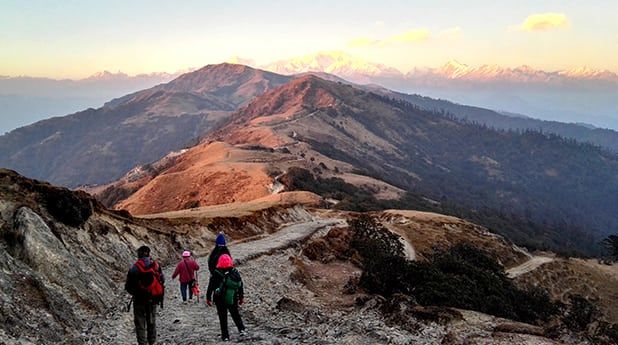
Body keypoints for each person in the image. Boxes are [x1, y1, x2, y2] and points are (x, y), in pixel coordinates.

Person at [125, 245, 165, 345]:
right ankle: (152, 341)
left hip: (139, 299)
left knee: (140, 323)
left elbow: (128, 286)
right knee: (151, 321)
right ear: (149, 253)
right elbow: (162, 280)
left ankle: (142, 343)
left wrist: (135, 292)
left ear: (139, 254)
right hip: (153, 298)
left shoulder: (134, 267)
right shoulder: (156, 266)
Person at [206, 254, 246, 341]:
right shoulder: (234, 272)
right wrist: (241, 297)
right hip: (232, 297)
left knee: (222, 317)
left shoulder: (215, 273)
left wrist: (208, 297)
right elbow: (240, 285)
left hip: (219, 299)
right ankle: (241, 329)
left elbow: (211, 286)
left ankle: (225, 336)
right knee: (235, 314)